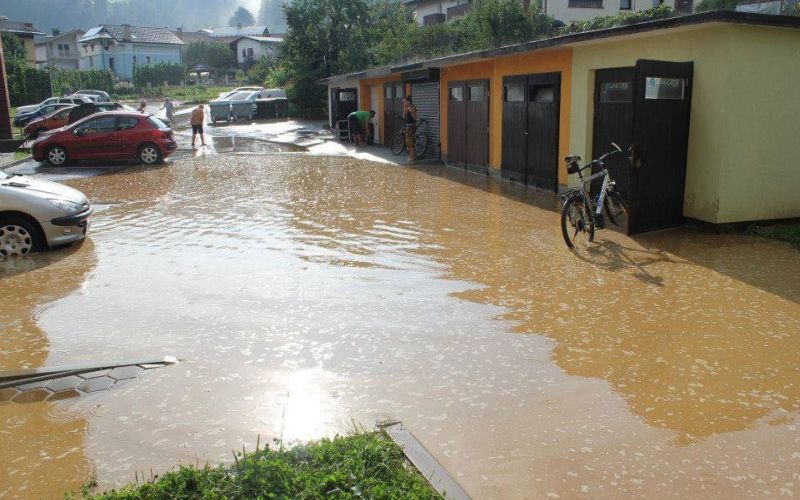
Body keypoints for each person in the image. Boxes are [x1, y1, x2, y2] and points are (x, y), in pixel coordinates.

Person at [402, 95, 417, 161]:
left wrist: (411, 111)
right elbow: (403, 117)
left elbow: (415, 118)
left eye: (405, 102)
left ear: (409, 101)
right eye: (403, 102)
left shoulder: (413, 107)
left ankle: (412, 157)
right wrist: (404, 109)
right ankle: (412, 156)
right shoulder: (406, 107)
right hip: (408, 126)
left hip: (411, 126)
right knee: (409, 142)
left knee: (410, 142)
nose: (404, 103)